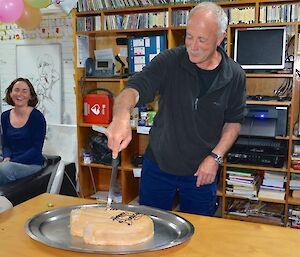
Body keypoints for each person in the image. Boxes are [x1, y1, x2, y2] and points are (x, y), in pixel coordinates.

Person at [106, 2, 246, 215]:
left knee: (199, 234)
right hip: (159, 166)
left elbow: (233, 122)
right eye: (189, 36)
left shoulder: (234, 75)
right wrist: (121, 117)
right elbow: (133, 89)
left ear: (220, 38)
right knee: (150, 227)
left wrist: (215, 157)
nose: (193, 46)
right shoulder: (170, 61)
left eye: (202, 40)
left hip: (202, 169)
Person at [0, 78, 46, 186]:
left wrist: (11, 162)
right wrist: (6, 158)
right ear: (10, 93)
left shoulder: (37, 117)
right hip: (10, 160)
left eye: (24, 91)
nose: (19, 94)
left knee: (5, 169)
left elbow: (36, 150)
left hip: (31, 163)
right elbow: (6, 144)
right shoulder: (5, 116)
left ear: (30, 96)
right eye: (16, 90)